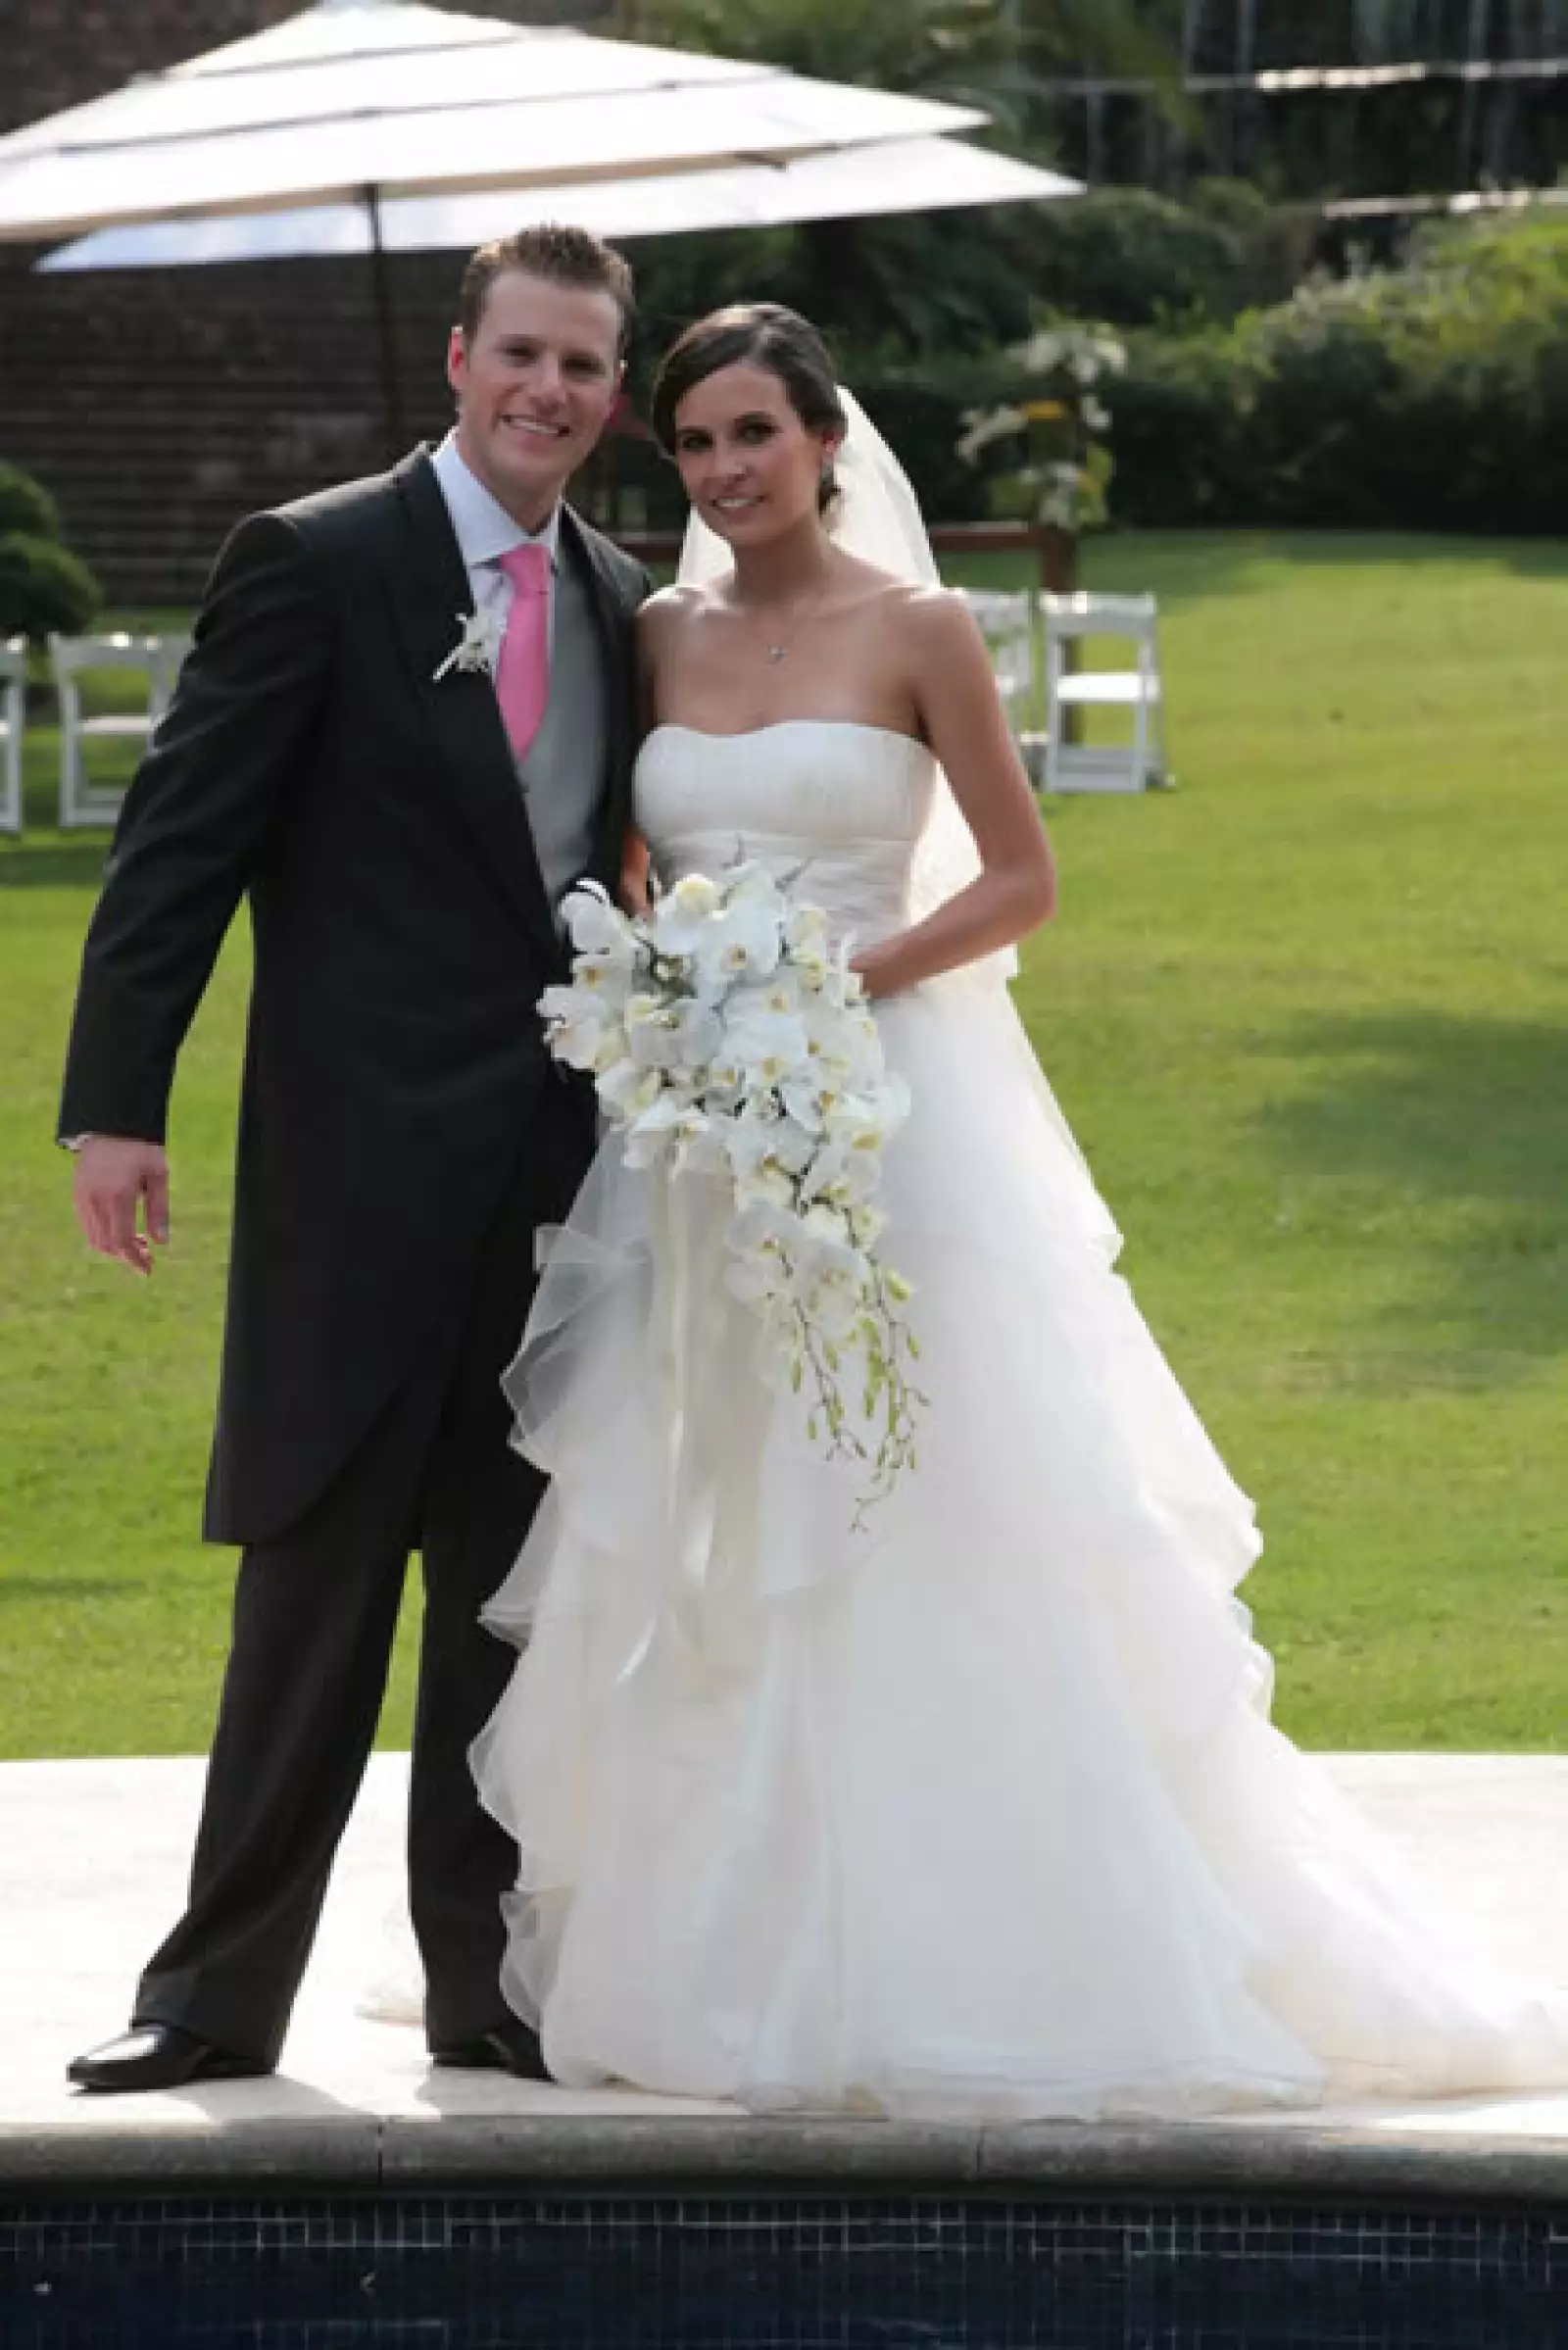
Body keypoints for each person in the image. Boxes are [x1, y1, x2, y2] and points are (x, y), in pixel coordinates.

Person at [468, 303, 1567, 2120]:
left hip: (890, 1112)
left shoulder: (920, 630)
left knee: (920, 1497)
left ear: (828, 435)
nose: (730, 473)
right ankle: (724, 1941)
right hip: (700, 1142)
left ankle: (992, 1932)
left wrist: (841, 982)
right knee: (718, 1503)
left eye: (757, 433)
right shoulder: (656, 629)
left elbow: (1025, 877)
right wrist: (683, 1000)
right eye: (698, 445)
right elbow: (635, 863)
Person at [59, 224, 650, 2094]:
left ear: (612, 399)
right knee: (309, 1596)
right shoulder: (318, 560)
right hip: (350, 1183)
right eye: (521, 354)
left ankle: (485, 1989)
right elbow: (180, 842)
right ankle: (213, 1995)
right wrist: (115, 1102)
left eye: (582, 366)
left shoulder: (631, 597)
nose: (546, 389)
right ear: (460, 358)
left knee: (500, 1597)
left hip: (558, 1190)